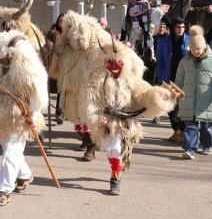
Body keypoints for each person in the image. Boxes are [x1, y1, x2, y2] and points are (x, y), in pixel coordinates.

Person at [49, 11, 178, 195]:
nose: (114, 66)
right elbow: (89, 100)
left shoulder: (128, 78)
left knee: (115, 148)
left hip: (123, 117)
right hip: (104, 116)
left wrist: (159, 97)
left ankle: (115, 176)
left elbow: (143, 93)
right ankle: (115, 166)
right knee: (109, 148)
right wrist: (95, 119)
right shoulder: (94, 78)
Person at [0, 29, 48, 205]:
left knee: (11, 151)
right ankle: (25, 175)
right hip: (0, 117)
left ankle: (3, 189)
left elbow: (36, 94)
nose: (3, 60)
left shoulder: (27, 69)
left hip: (21, 115)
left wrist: (33, 113)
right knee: (9, 150)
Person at [174, 33, 212, 159]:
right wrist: (174, 92)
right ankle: (190, 149)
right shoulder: (185, 61)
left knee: (206, 127)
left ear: (204, 48)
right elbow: (179, 80)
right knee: (190, 126)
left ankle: (207, 144)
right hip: (188, 99)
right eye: (193, 49)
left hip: (208, 100)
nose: (195, 51)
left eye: (198, 49)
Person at [166, 19, 190, 143]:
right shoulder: (165, 41)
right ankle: (176, 131)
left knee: (183, 106)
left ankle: (183, 131)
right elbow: (160, 60)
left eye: (182, 27)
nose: (180, 29)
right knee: (170, 106)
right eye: (178, 27)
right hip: (169, 77)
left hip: (184, 78)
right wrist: (160, 76)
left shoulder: (189, 41)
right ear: (173, 28)